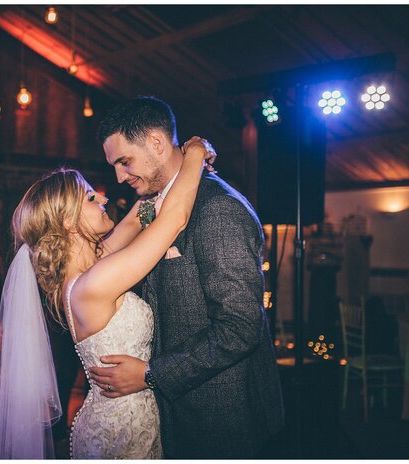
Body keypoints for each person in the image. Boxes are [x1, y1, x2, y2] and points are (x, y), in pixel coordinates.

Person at [0, 135, 215, 459]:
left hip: (119, 419)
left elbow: (138, 216)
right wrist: (197, 151)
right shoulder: (95, 283)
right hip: (123, 432)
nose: (103, 197)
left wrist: (165, 169)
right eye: (91, 197)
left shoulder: (89, 267)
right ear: (68, 221)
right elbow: (174, 219)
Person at [90, 97, 284, 458]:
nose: (119, 176)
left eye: (124, 161)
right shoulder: (156, 205)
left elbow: (240, 327)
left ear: (157, 144)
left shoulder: (218, 208)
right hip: (175, 413)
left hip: (223, 418)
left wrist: (151, 373)